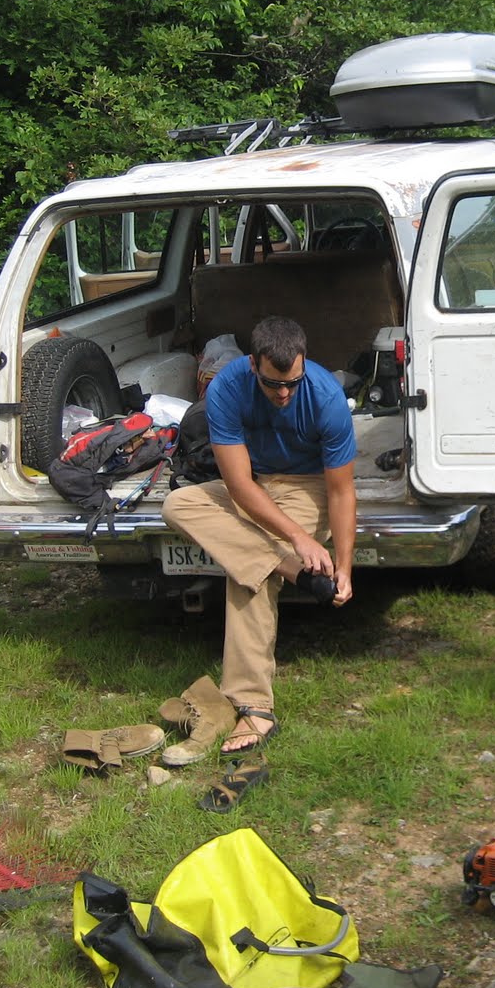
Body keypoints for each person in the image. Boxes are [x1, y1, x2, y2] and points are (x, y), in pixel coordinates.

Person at [162, 315, 357, 756]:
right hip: (253, 483)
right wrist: (298, 543)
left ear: (303, 364)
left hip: (309, 487)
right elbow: (238, 486)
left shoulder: (326, 396)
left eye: (292, 382)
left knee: (247, 570)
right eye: (273, 385)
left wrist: (343, 564)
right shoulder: (227, 387)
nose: (284, 393)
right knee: (178, 504)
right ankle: (289, 567)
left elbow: (342, 491)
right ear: (253, 365)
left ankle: (254, 707)